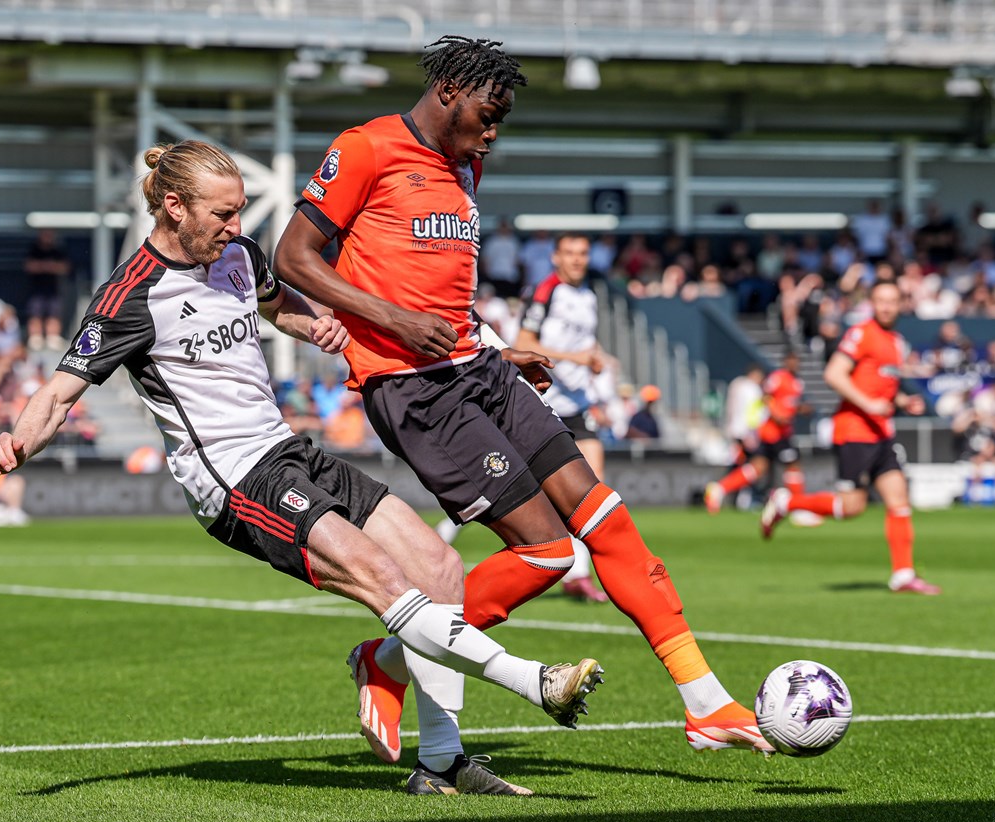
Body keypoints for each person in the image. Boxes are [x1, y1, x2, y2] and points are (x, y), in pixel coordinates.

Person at [0, 139, 604, 797]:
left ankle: (442, 762)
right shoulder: (129, 296)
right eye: (222, 214)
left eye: (240, 211)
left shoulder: (240, 256)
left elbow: (278, 307)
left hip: (287, 449)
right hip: (234, 479)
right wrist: (16, 444)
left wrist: (316, 327)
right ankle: (536, 681)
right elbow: (59, 394)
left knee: (440, 568)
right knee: (383, 578)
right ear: (174, 206)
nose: (236, 226)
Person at [276, 36, 774, 761]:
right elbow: (292, 257)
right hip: (412, 387)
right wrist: (393, 320)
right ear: (449, 91)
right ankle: (385, 660)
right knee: (547, 553)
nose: (493, 132)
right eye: (489, 113)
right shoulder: (366, 148)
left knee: (608, 522)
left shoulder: (466, 165)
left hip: (479, 366)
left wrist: (494, 343)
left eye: (501, 119)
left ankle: (705, 702)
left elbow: (440, 282)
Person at [760, 280, 941, 595]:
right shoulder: (861, 333)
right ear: (872, 303)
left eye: (892, 301)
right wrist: (868, 404)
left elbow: (882, 384)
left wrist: (902, 401)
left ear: (901, 304)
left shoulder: (897, 342)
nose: (886, 307)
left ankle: (903, 575)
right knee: (851, 508)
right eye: (881, 300)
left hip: (881, 432)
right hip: (854, 431)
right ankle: (786, 502)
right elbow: (834, 374)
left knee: (899, 500)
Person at [512, 232, 613, 603]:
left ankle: (579, 574)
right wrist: (576, 359)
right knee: (520, 488)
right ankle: (448, 531)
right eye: (569, 253)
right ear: (555, 257)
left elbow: (584, 345)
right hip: (545, 401)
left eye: (582, 253)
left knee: (593, 489)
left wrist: (597, 359)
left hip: (579, 404)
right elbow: (523, 343)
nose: (576, 259)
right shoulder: (546, 291)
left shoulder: (589, 296)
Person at [705, 350, 808, 514]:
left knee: (758, 467)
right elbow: (765, 397)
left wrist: (801, 409)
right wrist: (775, 413)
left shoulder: (798, 383)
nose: (795, 364)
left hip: (782, 432)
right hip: (773, 432)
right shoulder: (778, 378)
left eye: (797, 360)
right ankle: (799, 507)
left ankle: (719, 489)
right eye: (792, 360)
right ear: (786, 361)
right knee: (792, 464)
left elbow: (789, 405)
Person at [24, 229, 72, 350]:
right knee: (35, 313)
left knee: (54, 313)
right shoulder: (34, 250)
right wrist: (47, 266)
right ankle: (36, 338)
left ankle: (52, 337)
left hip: (53, 289)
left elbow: (64, 267)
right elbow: (29, 266)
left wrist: (45, 266)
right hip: (36, 289)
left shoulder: (57, 251)